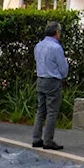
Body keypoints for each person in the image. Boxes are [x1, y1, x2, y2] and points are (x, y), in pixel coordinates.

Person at [32, 21, 69, 150]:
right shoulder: (56, 47)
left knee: (40, 110)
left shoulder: (39, 46)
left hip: (41, 78)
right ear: (56, 32)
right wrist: (64, 75)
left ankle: (36, 138)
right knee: (52, 111)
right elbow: (63, 68)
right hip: (52, 80)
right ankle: (48, 140)